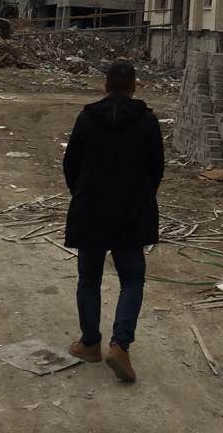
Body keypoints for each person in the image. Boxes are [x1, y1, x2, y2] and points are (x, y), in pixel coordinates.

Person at [63, 62, 164, 383]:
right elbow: (156, 168)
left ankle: (90, 343)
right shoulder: (147, 122)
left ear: (106, 85)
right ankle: (120, 345)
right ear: (134, 86)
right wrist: (141, 197)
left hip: (91, 210)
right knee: (132, 279)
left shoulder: (86, 119)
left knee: (89, 278)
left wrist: (83, 194)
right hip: (131, 212)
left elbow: (70, 165)